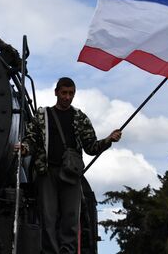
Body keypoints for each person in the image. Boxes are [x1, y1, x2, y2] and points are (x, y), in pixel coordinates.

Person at [21, 77, 121, 254]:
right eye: (64, 93)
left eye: (71, 93)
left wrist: (108, 140)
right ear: (56, 92)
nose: (67, 97)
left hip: (71, 174)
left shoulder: (79, 117)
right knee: (48, 219)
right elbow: (32, 140)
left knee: (71, 220)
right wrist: (24, 148)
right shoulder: (42, 115)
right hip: (47, 173)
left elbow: (91, 147)